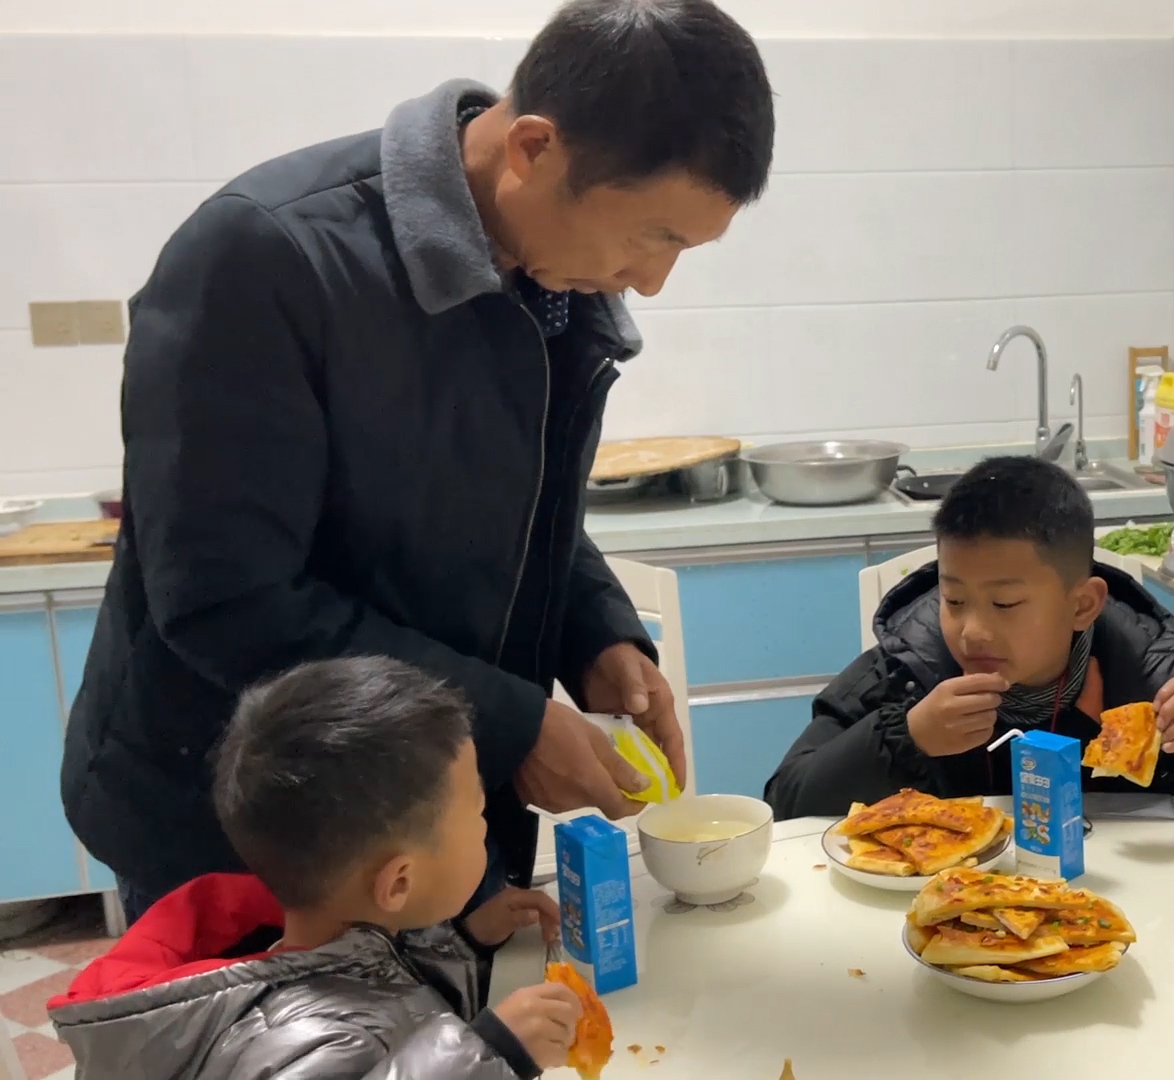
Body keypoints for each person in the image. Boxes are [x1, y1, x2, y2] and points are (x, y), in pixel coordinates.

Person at [62, 0, 775, 925]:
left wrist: (593, 631)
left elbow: (516, 506)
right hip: (251, 836)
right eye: (655, 236)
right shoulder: (266, 257)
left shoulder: (552, 283)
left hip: (436, 818)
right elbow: (225, 603)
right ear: (531, 149)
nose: (652, 281)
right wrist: (507, 722)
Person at [50, 657, 583, 1078]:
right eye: (477, 811)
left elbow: (388, 978)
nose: (486, 825)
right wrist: (493, 1054)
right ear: (398, 882)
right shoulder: (302, 1038)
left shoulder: (344, 936)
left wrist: (464, 940)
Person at [765, 456, 1174, 819]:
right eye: (954, 599)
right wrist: (907, 738)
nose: (972, 630)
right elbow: (786, 801)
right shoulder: (903, 675)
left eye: (1005, 604)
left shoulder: (1156, 674)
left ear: (1082, 605)